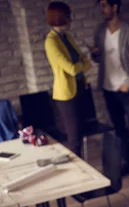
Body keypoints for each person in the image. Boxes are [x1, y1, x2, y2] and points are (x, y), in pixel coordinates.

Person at [92, 0, 129, 181]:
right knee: (119, 130)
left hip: (126, 89)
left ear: (114, 7)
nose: (101, 10)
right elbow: (99, 60)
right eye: (100, 6)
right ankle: (128, 164)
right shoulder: (100, 32)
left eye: (104, 6)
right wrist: (95, 55)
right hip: (108, 89)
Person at [45, 2, 91, 157]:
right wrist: (82, 64)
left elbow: (84, 60)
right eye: (68, 16)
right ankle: (78, 174)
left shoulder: (67, 37)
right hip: (66, 95)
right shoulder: (51, 41)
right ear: (61, 18)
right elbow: (70, 68)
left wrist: (82, 64)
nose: (71, 20)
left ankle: (84, 171)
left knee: (80, 134)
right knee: (73, 139)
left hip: (79, 88)